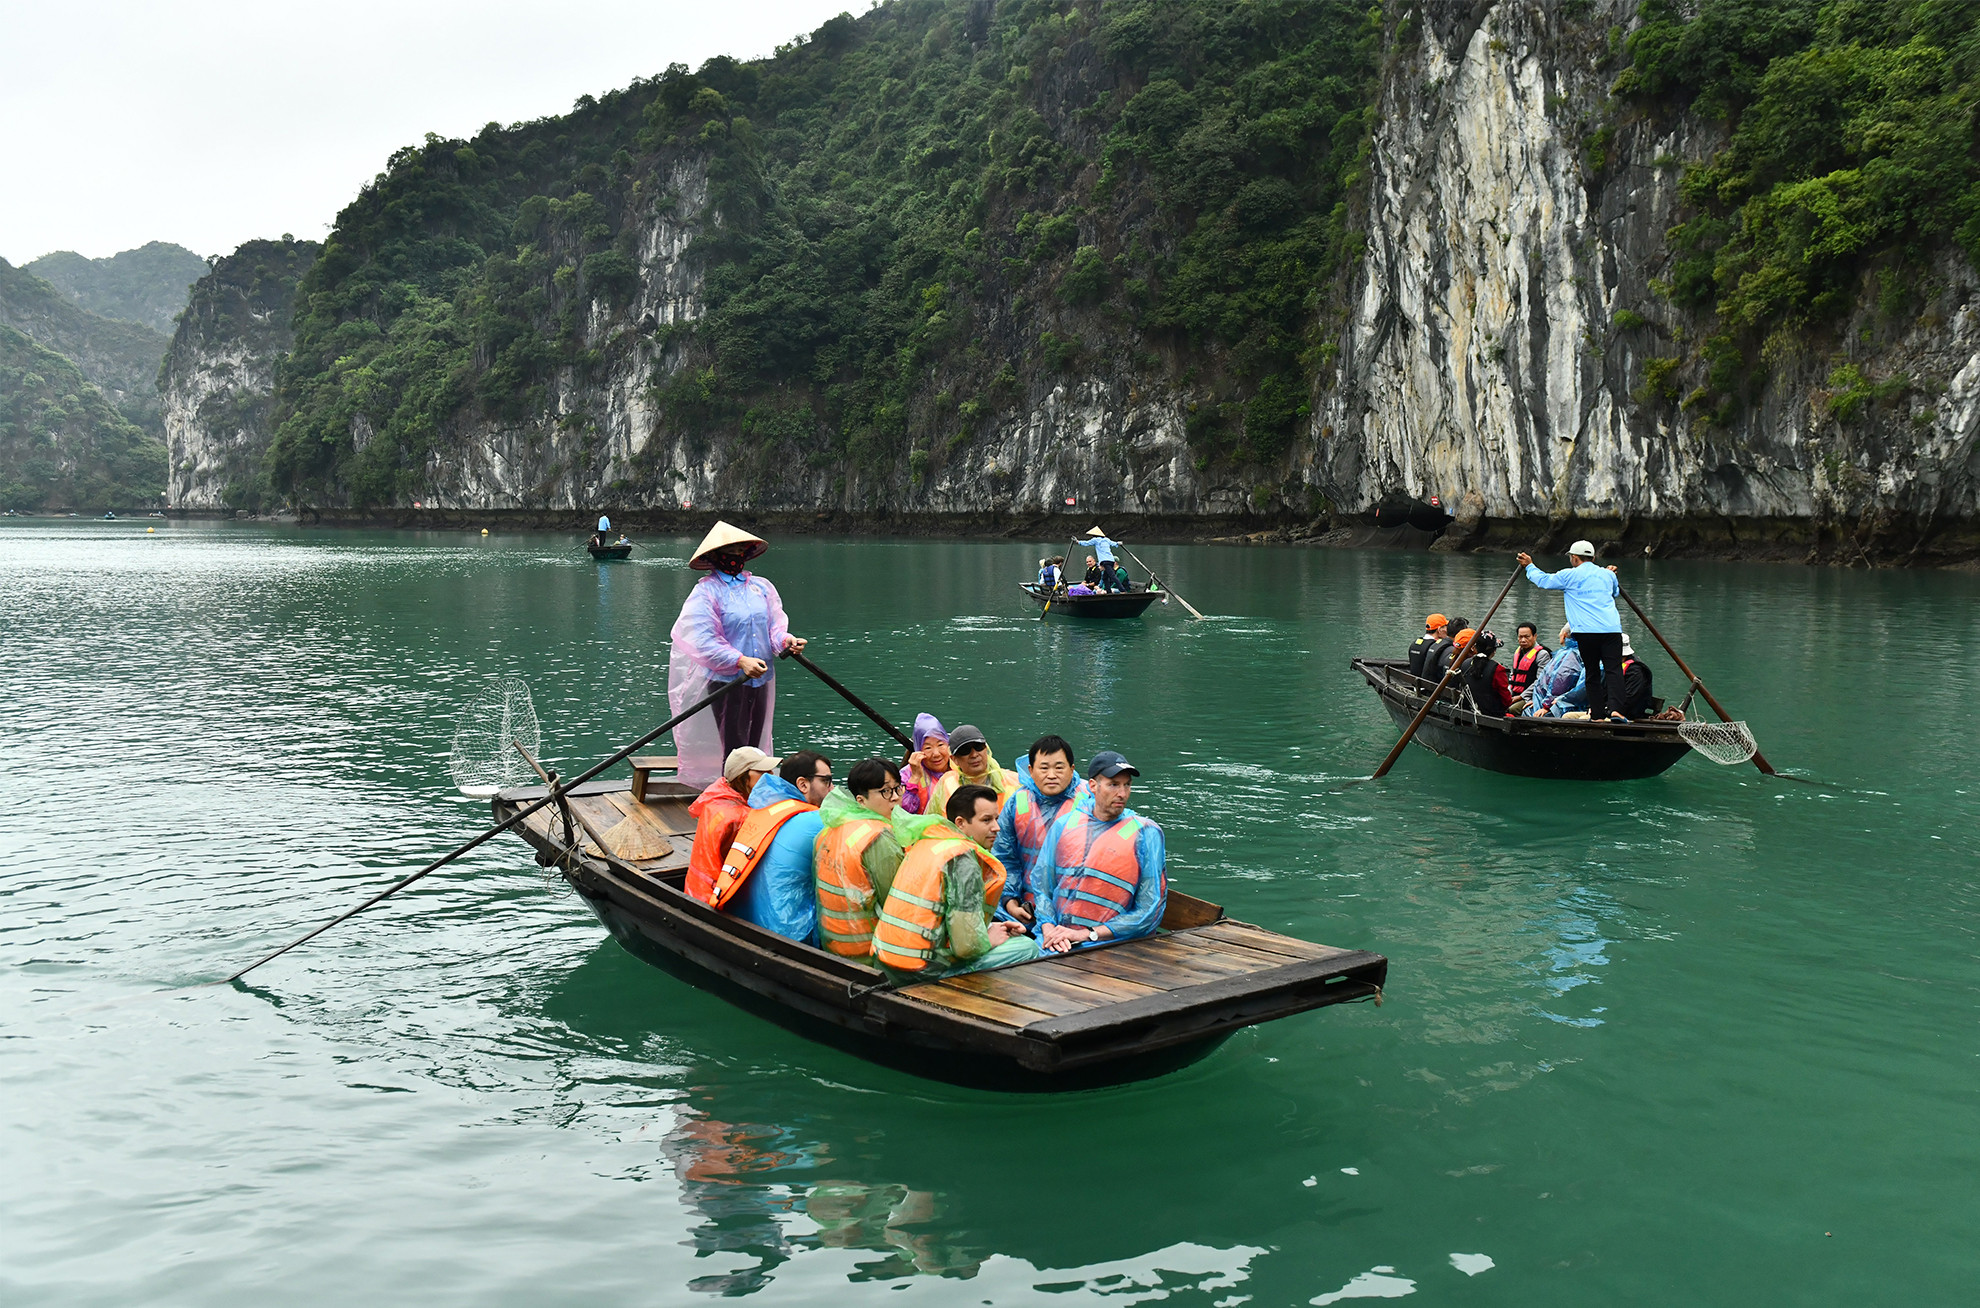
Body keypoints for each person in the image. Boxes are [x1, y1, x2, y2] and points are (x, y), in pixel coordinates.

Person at [668, 522, 808, 787]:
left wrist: (787, 641)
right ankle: (732, 795)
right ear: (715, 556)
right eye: (729, 549)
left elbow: (774, 628)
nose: (735, 554)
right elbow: (702, 639)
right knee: (734, 748)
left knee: (756, 745)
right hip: (728, 681)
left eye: (739, 549)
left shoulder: (761, 588)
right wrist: (739, 660)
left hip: (761, 678)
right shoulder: (706, 592)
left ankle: (754, 796)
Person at [874, 784, 1041, 981]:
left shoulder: (929, 842)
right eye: (986, 820)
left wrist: (990, 930)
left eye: (996, 818)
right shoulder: (963, 861)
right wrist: (988, 940)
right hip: (919, 973)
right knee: (1027, 948)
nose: (996, 827)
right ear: (960, 823)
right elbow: (966, 949)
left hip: (886, 961)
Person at [1034, 751, 1167, 954]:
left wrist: (1088, 934)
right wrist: (1048, 928)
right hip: (1058, 938)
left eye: (1127, 785)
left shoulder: (1146, 833)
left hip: (1113, 944)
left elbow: (1149, 909)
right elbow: (1043, 886)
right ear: (1093, 786)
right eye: (1113, 784)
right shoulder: (1065, 824)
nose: (1122, 793)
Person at [712, 750, 833, 944]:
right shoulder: (815, 821)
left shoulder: (761, 810)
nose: (833, 788)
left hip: (743, 918)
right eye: (826, 781)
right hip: (788, 935)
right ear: (803, 784)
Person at [1517, 542, 1627, 723]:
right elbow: (1614, 593)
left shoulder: (1569, 575)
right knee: (1613, 670)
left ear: (1574, 558)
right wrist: (1608, 575)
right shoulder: (1608, 575)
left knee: (1591, 672)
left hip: (1587, 632)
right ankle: (1616, 710)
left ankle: (1598, 715)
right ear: (1593, 558)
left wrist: (1529, 565)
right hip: (1611, 629)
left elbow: (1544, 581)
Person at [814, 757, 908, 963]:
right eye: (885, 791)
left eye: (897, 788)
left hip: (833, 945)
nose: (894, 798)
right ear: (860, 800)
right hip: (869, 954)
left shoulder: (830, 829)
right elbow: (897, 906)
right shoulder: (879, 839)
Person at [991, 734, 1089, 924]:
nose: (1051, 775)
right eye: (1044, 768)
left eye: (1059, 767)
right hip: (1029, 908)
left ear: (1072, 769)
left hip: (1077, 911)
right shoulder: (1017, 802)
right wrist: (1010, 901)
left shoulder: (1090, 800)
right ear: (1031, 770)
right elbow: (1004, 858)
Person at [687, 746, 778, 903]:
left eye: (770, 770)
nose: (771, 776)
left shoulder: (717, 797)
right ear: (742, 776)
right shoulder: (737, 818)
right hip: (714, 897)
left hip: (696, 887)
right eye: (762, 772)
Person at [926, 724, 1020, 819]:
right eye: (965, 750)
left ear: (986, 749)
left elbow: (1026, 821)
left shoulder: (1015, 781)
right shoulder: (946, 783)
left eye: (978, 747)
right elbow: (932, 822)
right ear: (954, 759)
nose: (974, 755)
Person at [899, 713, 951, 815]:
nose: (936, 754)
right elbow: (901, 814)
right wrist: (914, 778)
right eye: (928, 748)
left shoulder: (960, 766)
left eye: (940, 745)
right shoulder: (906, 774)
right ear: (919, 750)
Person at [1458, 629, 1513, 715]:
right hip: (1492, 716)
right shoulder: (1498, 669)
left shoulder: (1465, 664)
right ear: (1494, 651)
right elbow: (1507, 701)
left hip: (1467, 712)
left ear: (1475, 648)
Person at [1506, 622, 1551, 697]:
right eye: (1520, 637)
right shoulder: (1518, 652)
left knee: (1512, 709)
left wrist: (1521, 697)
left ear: (1535, 636)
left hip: (1531, 696)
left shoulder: (1542, 654)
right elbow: (1513, 675)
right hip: (1515, 692)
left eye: (1527, 637)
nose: (1523, 640)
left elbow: (1540, 682)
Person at [1619, 636, 1654, 719]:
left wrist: (1610, 711)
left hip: (1631, 715)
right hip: (1617, 709)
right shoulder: (1618, 666)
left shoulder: (1635, 671)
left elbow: (1630, 698)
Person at [1407, 614, 1450, 678]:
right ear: (1439, 629)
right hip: (1427, 686)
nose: (1447, 630)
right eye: (1446, 626)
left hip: (1415, 683)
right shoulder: (1435, 647)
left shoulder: (1415, 643)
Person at [1083, 526, 1124, 592]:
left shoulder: (1095, 540)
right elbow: (1114, 544)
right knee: (1105, 578)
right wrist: (1118, 543)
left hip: (1105, 561)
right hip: (1110, 561)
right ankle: (1109, 592)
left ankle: (1122, 590)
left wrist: (1077, 542)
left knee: (1112, 576)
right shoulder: (1106, 539)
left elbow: (1086, 543)